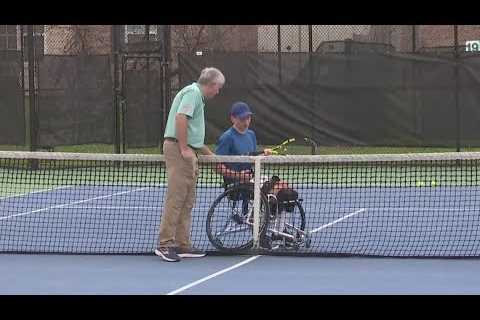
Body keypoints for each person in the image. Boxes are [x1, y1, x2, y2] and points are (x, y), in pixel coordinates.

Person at [155, 67, 225, 262]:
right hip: (179, 151)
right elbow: (180, 118)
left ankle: (182, 244)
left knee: (187, 201)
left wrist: (211, 158)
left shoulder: (196, 98)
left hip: (188, 152)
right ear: (211, 85)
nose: (217, 92)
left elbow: (195, 137)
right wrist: (185, 149)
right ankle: (165, 244)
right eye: (217, 88)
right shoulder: (193, 93)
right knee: (176, 199)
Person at [215, 102, 296, 249]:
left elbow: (251, 157)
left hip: (253, 179)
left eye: (248, 118)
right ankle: (259, 226)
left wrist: (262, 154)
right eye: (242, 119)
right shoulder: (226, 138)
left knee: (286, 190)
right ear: (233, 119)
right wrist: (239, 176)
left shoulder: (251, 135)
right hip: (236, 184)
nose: (246, 122)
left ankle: (279, 230)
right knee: (272, 192)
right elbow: (218, 167)